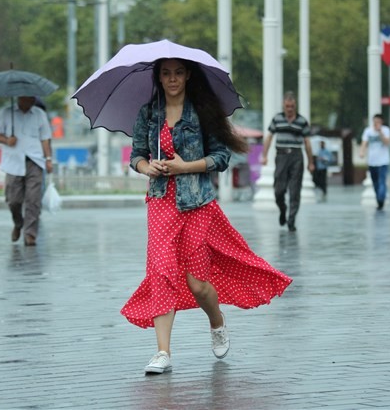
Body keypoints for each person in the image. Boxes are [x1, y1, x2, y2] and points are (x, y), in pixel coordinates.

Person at [121, 58, 292, 374]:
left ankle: (216, 321)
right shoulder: (148, 113)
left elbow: (221, 157)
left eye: (178, 73)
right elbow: (136, 157)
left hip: (197, 203)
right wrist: (149, 168)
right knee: (161, 271)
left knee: (198, 283)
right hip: (161, 201)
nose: (172, 79)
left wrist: (185, 166)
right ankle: (162, 352)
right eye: (166, 73)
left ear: (187, 76)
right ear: (158, 77)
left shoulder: (202, 111)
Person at [0, 96, 53, 246]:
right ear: (20, 98)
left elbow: (45, 138)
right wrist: (7, 140)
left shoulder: (39, 114)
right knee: (14, 200)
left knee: (33, 200)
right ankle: (18, 223)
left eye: (33, 98)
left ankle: (30, 234)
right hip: (13, 162)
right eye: (27, 98)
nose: (31, 101)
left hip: (35, 161)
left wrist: (49, 159)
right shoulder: (6, 113)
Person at [261, 92, 315, 231]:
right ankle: (282, 210)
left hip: (297, 156)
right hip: (281, 155)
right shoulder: (277, 119)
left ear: (295, 105)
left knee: (295, 189)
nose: (289, 109)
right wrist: (264, 155)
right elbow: (269, 137)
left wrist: (311, 162)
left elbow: (307, 142)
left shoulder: (302, 121)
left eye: (292, 106)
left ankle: (291, 220)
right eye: (287, 106)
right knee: (279, 189)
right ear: (283, 106)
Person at [359, 114, 390, 210]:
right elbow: (364, 143)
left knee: (382, 181)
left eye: (378, 121)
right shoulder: (368, 131)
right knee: (375, 182)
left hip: (383, 161)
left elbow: (387, 142)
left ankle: (381, 199)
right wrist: (362, 151)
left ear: (382, 122)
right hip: (372, 161)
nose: (376, 123)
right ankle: (379, 200)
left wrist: (380, 132)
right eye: (375, 121)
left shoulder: (386, 130)